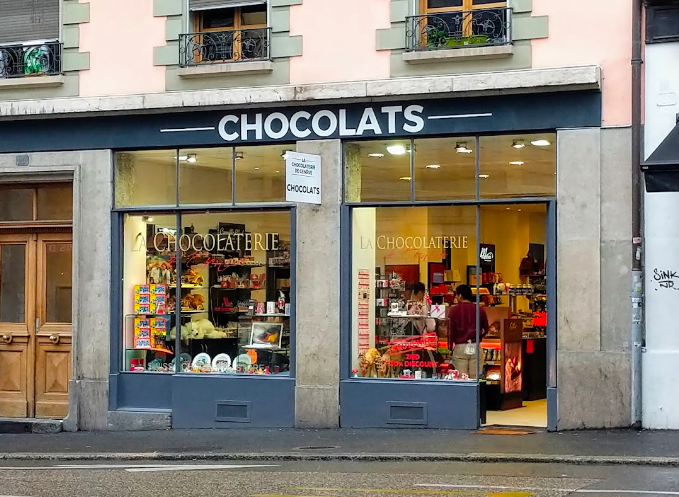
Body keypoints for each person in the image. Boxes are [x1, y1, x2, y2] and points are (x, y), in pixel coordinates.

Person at [447, 284, 489, 379]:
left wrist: (450, 347)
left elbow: (451, 331)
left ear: (460, 296)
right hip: (475, 346)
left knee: (462, 379)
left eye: (456, 295)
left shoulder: (454, 311)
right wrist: (479, 337)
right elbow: (485, 329)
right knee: (475, 379)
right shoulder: (480, 309)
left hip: (460, 347)